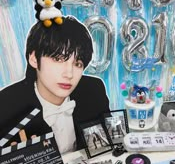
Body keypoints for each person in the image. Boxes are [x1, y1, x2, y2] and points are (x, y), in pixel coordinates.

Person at [0, 16, 110, 154]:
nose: (69, 74)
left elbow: (108, 146)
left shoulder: (94, 90)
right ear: (34, 58)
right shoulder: (6, 104)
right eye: (58, 59)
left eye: (77, 64)